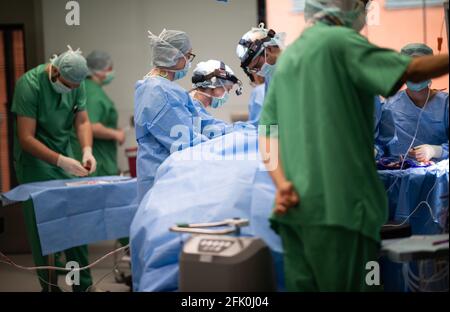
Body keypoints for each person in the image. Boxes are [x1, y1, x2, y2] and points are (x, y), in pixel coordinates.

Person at [258, 0, 449, 291]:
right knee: (364, 284)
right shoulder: (341, 42)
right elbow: (414, 68)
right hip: (344, 211)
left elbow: (267, 133)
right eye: (362, 4)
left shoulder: (289, 57)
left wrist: (282, 183)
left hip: (296, 211)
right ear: (346, 5)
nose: (364, 12)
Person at [11, 46, 97, 292]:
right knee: (44, 229)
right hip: (35, 163)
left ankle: (83, 286)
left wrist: (87, 150)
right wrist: (59, 161)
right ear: (55, 71)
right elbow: (26, 138)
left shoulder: (75, 82)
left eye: (75, 87)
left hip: (65, 154)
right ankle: (49, 288)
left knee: (76, 222)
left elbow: (82, 119)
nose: (71, 90)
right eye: (68, 85)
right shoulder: (29, 85)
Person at [134, 29, 206, 203]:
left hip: (167, 175)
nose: (189, 61)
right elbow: (184, 141)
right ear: (174, 56)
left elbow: (199, 125)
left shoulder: (161, 88)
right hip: (164, 178)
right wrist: (222, 148)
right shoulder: (158, 91)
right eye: (188, 56)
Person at [376, 43, 449, 163]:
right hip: (397, 176)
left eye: (422, 69)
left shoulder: (445, 104)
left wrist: (436, 150)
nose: (416, 74)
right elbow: (382, 145)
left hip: (439, 176)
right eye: (410, 69)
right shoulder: (389, 105)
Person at [72, 50, 125, 176]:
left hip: (102, 159)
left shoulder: (91, 89)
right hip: (97, 162)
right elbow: (90, 125)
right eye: (110, 68)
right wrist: (116, 134)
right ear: (100, 71)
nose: (112, 72)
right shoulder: (91, 92)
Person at [189, 59, 246, 138]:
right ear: (213, 82)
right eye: (228, 89)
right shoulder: (192, 109)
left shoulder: (193, 105)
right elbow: (219, 130)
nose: (227, 94)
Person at [236, 23, 286, 93]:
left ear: (269, 49)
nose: (259, 71)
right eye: (254, 69)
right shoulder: (271, 80)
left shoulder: (299, 64)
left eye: (257, 65)